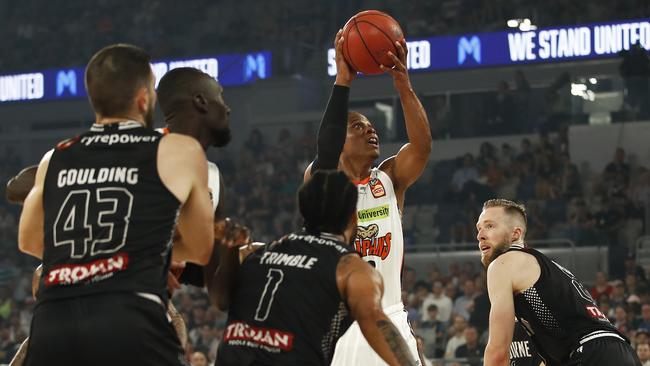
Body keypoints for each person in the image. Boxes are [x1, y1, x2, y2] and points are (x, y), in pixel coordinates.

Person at [17, 44, 214, 366]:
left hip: (54, 319)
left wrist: (94, 257)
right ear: (143, 97)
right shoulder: (178, 149)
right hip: (129, 316)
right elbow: (199, 248)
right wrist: (135, 254)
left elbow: (28, 240)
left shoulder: (55, 157)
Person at [304, 29, 431, 366]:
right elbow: (324, 151)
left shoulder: (389, 178)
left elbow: (421, 147)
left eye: (372, 126)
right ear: (338, 140)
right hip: (340, 324)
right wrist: (343, 78)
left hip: (389, 315)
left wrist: (404, 86)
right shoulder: (322, 181)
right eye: (357, 127)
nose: (370, 130)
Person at [216, 170, 416, 365]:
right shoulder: (350, 268)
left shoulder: (258, 253)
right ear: (353, 216)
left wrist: (230, 252)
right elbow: (375, 322)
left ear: (303, 211)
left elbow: (219, 299)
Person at [477, 198, 640, 365]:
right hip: (621, 352)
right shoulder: (546, 267)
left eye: (490, 226)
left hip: (592, 352)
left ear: (515, 234)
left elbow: (497, 352)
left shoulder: (503, 263)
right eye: (479, 228)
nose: (480, 235)